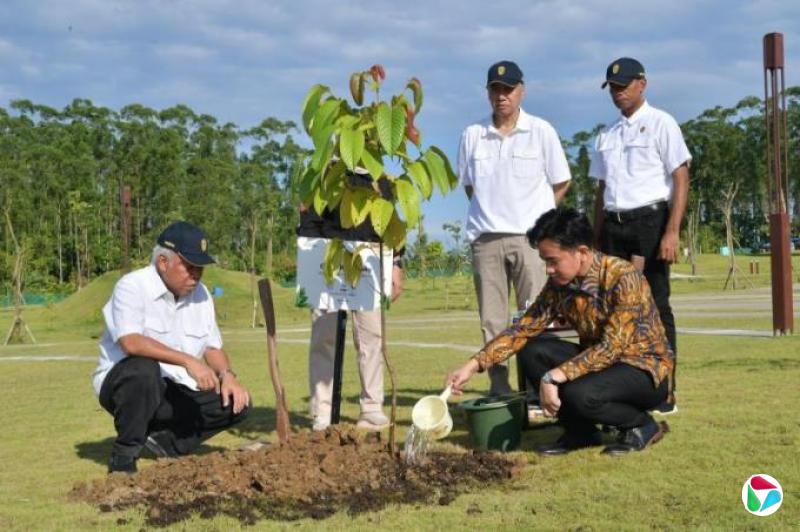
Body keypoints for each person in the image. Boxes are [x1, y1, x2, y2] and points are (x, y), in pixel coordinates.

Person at [446, 208, 673, 456]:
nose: (548, 270)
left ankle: (642, 425)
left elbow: (611, 348)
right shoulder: (559, 286)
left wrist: (553, 376)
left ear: (582, 252)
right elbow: (523, 329)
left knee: (579, 394)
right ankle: (580, 433)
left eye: (553, 261)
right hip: (599, 366)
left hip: (645, 370)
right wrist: (472, 365)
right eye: (545, 261)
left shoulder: (623, 277)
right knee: (532, 350)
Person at [93, 221, 250, 474]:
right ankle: (123, 456)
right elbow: (130, 342)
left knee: (237, 402)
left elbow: (212, 347)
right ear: (163, 263)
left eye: (200, 268)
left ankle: (168, 444)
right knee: (143, 370)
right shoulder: (132, 286)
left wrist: (227, 376)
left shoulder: (202, 294)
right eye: (189, 266)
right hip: (126, 386)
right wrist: (189, 361)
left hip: (174, 389)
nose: (196, 274)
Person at [458, 60, 572, 396]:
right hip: (486, 239)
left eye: (508, 90)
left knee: (536, 317)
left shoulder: (541, 131)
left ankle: (539, 388)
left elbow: (561, 181)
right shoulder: (472, 135)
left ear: (522, 91)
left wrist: (537, 219)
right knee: (492, 321)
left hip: (529, 240)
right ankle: (500, 388)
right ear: (488, 93)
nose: (502, 96)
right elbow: (469, 186)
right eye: (496, 89)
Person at [590, 57, 690, 414]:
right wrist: (596, 237)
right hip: (614, 227)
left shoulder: (662, 123)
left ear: (642, 84)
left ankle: (665, 391)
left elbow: (680, 177)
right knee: (617, 310)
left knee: (656, 307)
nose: (618, 93)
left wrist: (672, 231)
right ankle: (629, 387)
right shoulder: (607, 133)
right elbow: (601, 190)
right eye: (613, 87)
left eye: (624, 85)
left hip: (650, 222)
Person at [296, 169, 404, 431]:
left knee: (371, 339)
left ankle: (371, 408)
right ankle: (321, 412)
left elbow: (392, 225)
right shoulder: (322, 174)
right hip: (328, 264)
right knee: (324, 339)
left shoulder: (382, 181)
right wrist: (310, 266)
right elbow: (308, 222)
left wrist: (397, 263)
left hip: (371, 267)